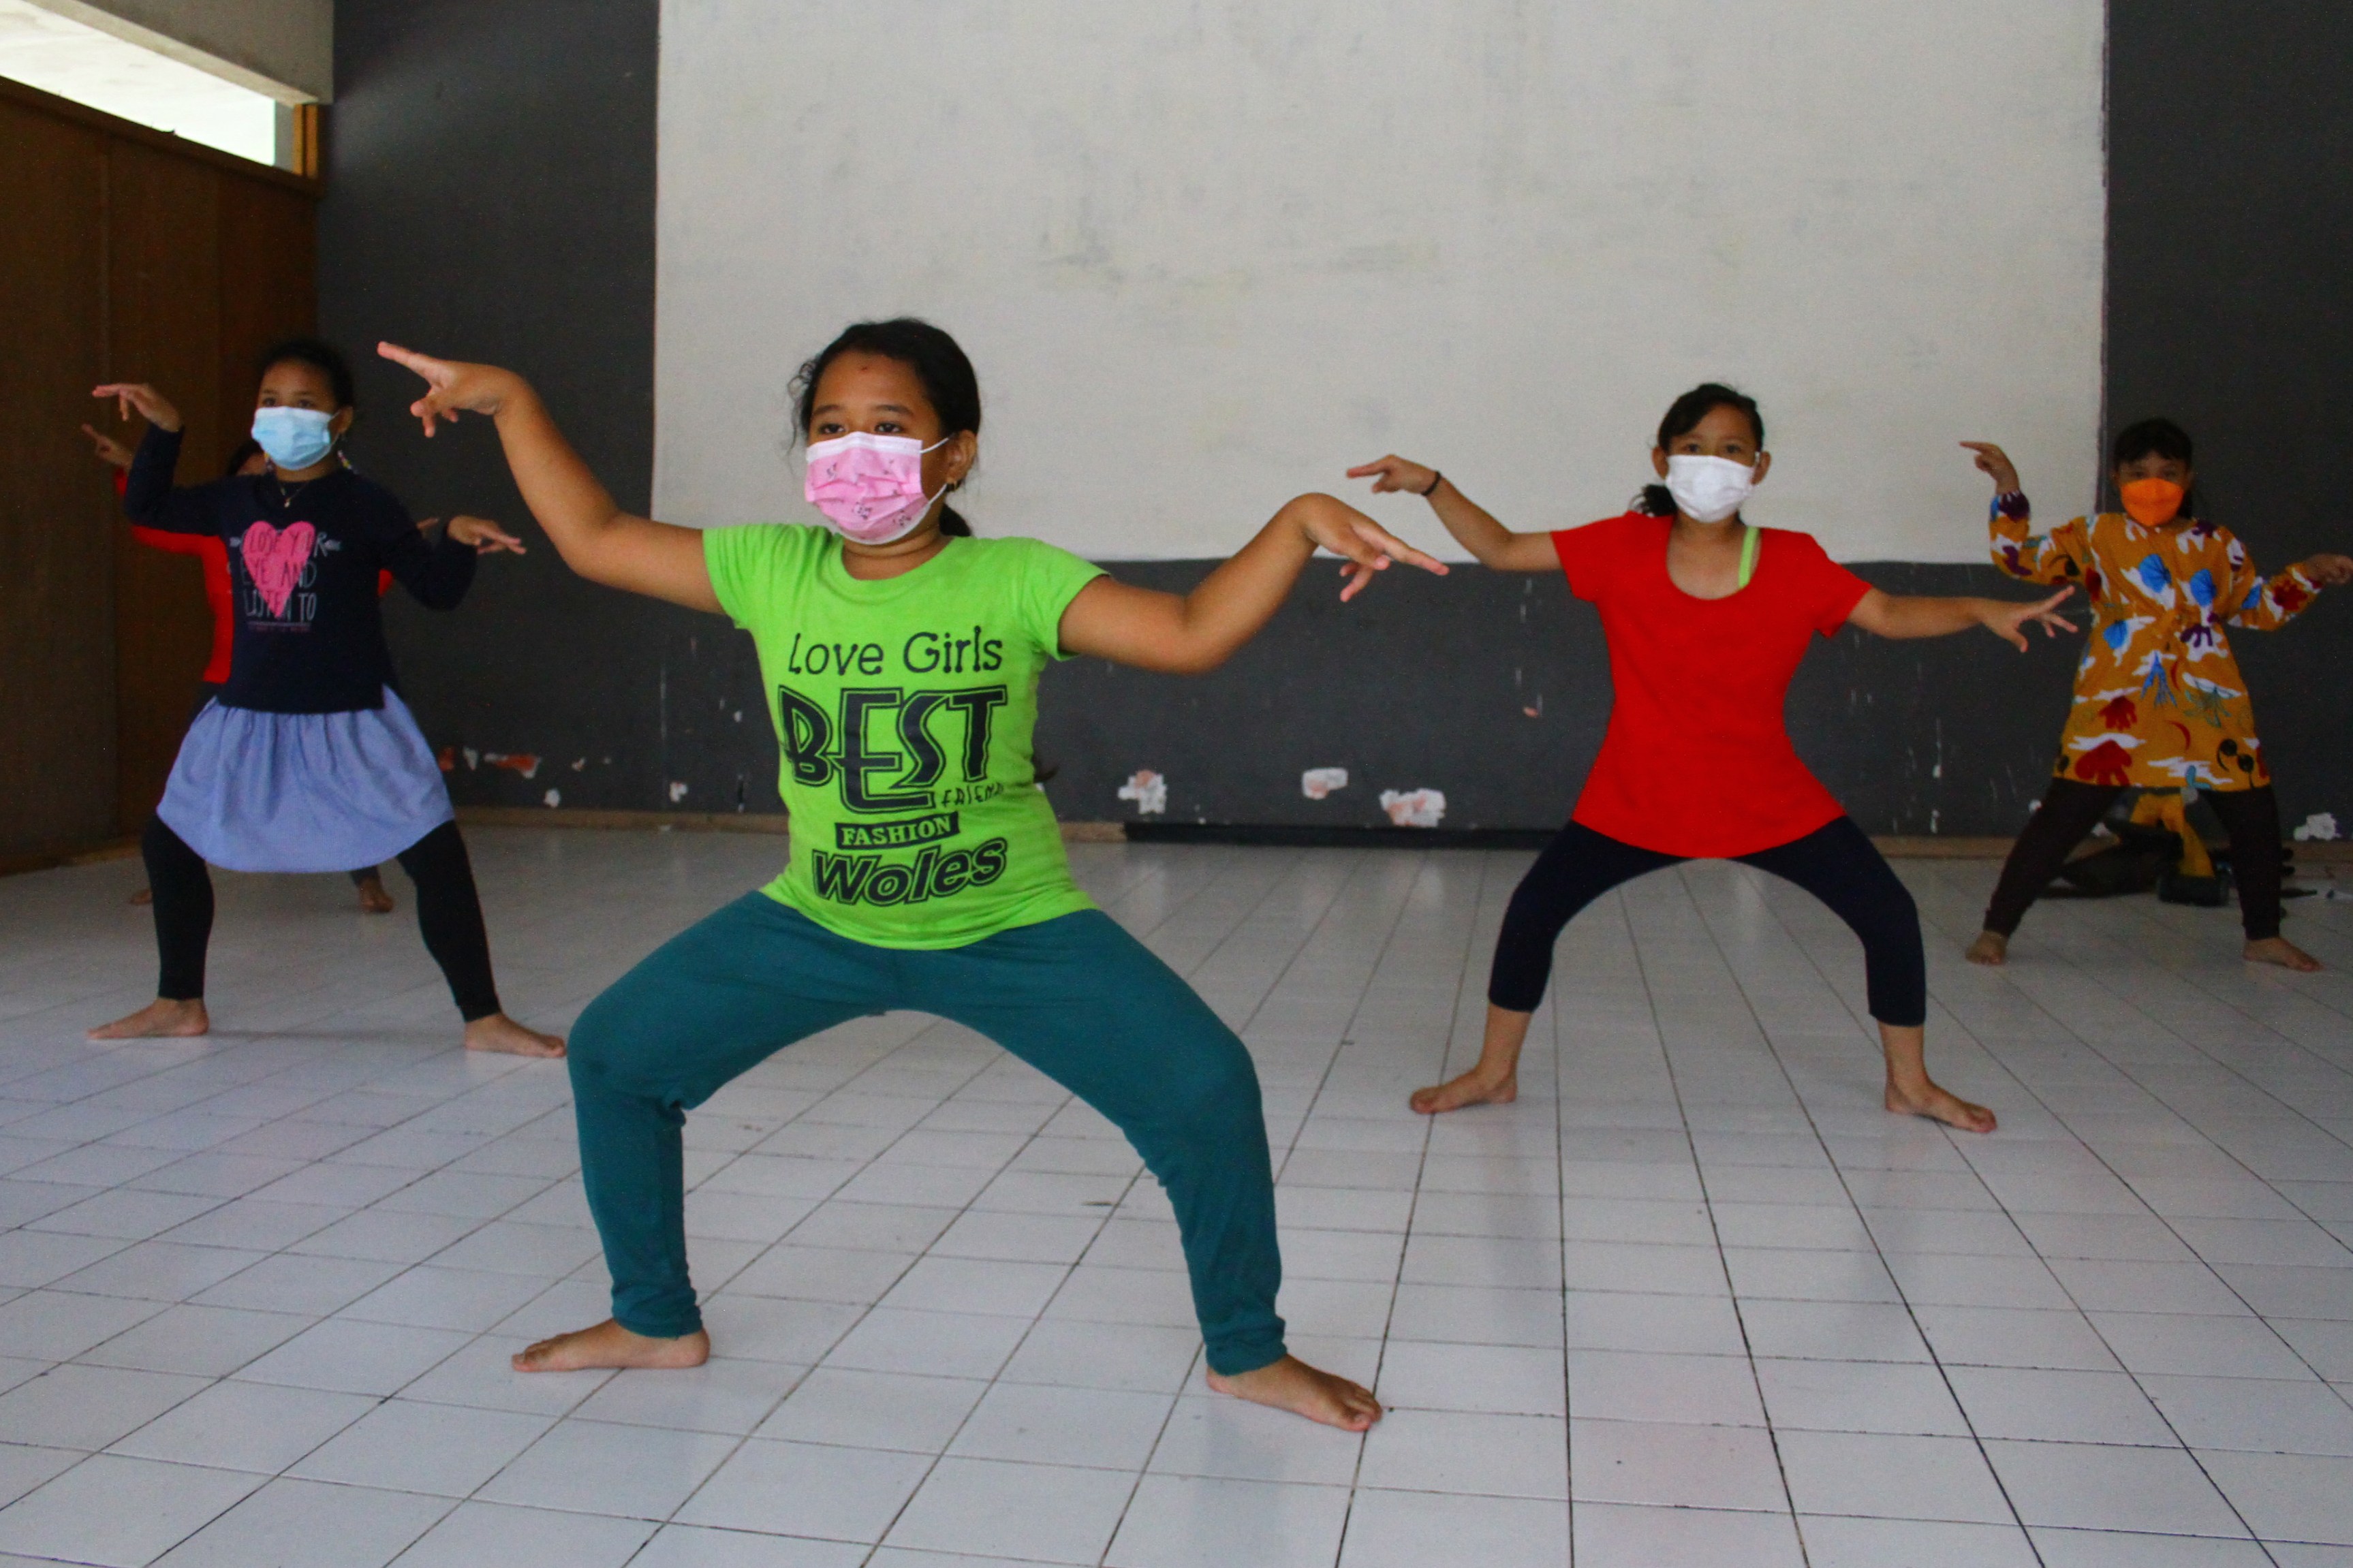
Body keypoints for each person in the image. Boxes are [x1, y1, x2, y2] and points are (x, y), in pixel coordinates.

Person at [379, 317, 1445, 1430]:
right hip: (819, 922)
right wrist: (510, 400)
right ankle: (654, 1318)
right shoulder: (768, 567)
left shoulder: (1011, 580)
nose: (855, 449)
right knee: (614, 1055)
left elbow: (1185, 629)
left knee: (1206, 1087)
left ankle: (1244, 1348)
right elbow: (593, 535)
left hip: (1010, 925)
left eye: (889, 426)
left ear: (955, 452)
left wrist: (1291, 526)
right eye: (831, 427)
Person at [1351, 383, 2076, 1131]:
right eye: (1693, 448)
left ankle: (1911, 1084)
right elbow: (1501, 551)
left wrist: (1980, 608)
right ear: (1661, 459)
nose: (1710, 464)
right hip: (1633, 799)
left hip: (1769, 801)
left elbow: (1887, 614)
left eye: (1731, 450)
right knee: (1533, 912)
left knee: (1888, 915)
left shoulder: (1793, 560)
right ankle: (1493, 1074)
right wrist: (1432, 485)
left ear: (1758, 467)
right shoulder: (1618, 547)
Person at [85, 338, 561, 1059]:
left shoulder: (367, 504)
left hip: (352, 718)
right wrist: (165, 428)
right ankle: (179, 1001)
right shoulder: (233, 499)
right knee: (168, 844)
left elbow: (434, 592)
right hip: (247, 714)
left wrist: (458, 540)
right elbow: (146, 506)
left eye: (303, 405)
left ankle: (484, 1016)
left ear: (341, 421)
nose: (283, 416)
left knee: (436, 858)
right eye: (271, 402)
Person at [1961, 422, 2353, 971]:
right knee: (2062, 819)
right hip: (2118, 702)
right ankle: (1997, 929)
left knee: (2255, 818)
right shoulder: (2096, 536)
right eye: (2139, 473)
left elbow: (2258, 609)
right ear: (2118, 477)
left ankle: (2264, 935)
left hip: (2209, 702)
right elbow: (2018, 558)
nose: (2154, 483)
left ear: (2188, 478)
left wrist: (2308, 573)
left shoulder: (2218, 544)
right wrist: (2007, 484)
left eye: (2168, 473)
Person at [84, 427, 398, 914]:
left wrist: (396, 553)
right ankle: (171, 877)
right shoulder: (218, 536)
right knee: (192, 783)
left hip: (304, 680)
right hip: (227, 678)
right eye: (249, 474)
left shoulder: (316, 534)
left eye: (270, 471)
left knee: (335, 781)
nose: (261, 482)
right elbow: (152, 523)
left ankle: (366, 880)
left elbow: (361, 589)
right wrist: (132, 468)